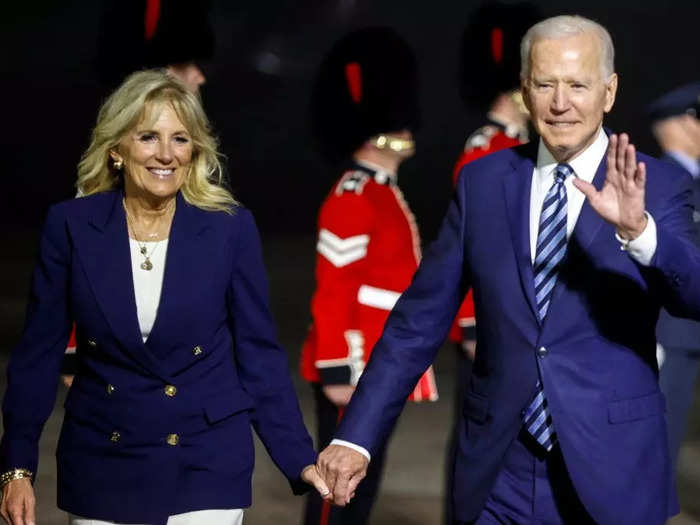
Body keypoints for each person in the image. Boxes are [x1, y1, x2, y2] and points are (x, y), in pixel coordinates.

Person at [316, 15, 700, 525]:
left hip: (613, 466)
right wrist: (354, 436)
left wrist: (640, 233)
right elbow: (418, 321)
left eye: (578, 85)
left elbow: (693, 295)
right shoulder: (483, 182)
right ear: (525, 89)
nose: (560, 103)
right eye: (545, 84)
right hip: (500, 471)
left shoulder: (658, 183)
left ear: (609, 92)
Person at [0, 70, 329, 525]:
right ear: (116, 148)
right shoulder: (71, 227)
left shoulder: (229, 228)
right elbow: (37, 355)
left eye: (180, 139)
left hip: (206, 455)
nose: (166, 154)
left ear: (195, 150)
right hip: (106, 456)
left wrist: (298, 456)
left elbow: (259, 355)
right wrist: (17, 468)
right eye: (149, 137)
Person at [300, 27, 438, 525]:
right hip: (356, 362)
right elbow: (333, 289)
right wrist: (339, 370)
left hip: (379, 360)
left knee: (362, 488)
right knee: (336, 492)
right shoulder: (356, 192)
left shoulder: (378, 189)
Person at [444, 3, 542, 523]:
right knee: (477, 437)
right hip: (485, 321)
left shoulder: (519, 146)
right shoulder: (487, 146)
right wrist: (471, 324)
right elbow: (472, 249)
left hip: (514, 321)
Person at [650, 82, 700, 467]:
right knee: (656, 440)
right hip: (670, 331)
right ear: (687, 123)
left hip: (686, 331)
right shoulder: (664, 181)